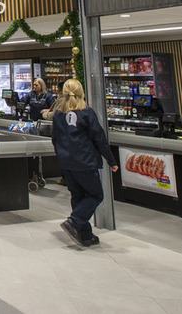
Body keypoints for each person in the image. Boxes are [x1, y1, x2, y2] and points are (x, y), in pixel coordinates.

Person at [49, 78, 119, 248]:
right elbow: (99, 139)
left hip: (67, 163)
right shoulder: (86, 113)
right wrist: (111, 160)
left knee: (78, 196)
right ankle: (75, 221)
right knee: (96, 195)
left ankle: (85, 234)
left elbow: (55, 139)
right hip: (85, 162)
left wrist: (61, 157)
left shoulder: (58, 114)